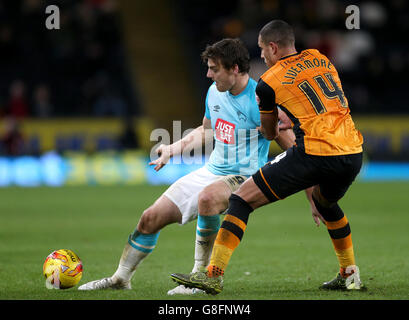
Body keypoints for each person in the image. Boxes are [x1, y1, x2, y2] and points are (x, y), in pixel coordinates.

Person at [78, 38, 302, 292]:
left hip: (245, 177)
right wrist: (173, 149)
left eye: (214, 69)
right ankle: (120, 279)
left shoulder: (259, 99)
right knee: (149, 218)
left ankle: (199, 278)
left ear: (235, 69)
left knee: (208, 198)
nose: (208, 74)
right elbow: (207, 130)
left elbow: (288, 142)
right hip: (212, 171)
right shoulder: (214, 92)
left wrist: (310, 183)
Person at [171, 20, 365, 294]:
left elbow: (269, 131)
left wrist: (281, 123)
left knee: (241, 198)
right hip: (352, 150)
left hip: (315, 151)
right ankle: (349, 274)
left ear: (273, 48)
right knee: (327, 204)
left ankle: (212, 275)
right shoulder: (320, 58)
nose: (260, 55)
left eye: (262, 50)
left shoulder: (267, 83)